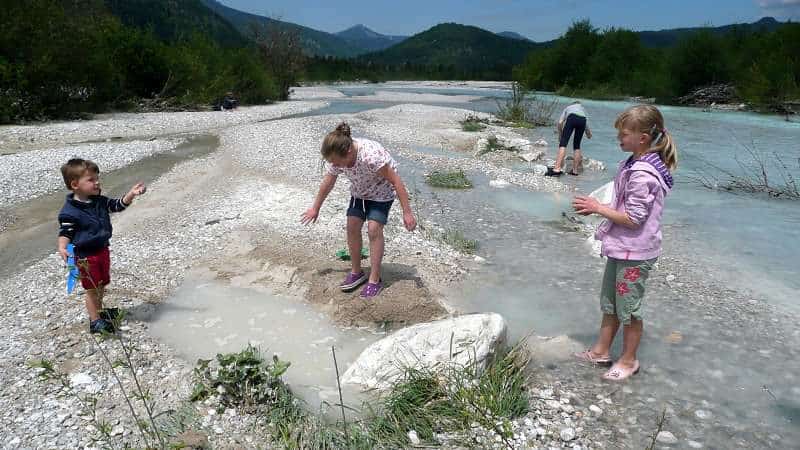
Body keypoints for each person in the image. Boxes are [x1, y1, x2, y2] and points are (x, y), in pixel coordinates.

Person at [571, 105, 677, 380]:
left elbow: (633, 219)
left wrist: (597, 208)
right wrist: (600, 206)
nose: (619, 138)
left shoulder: (643, 173)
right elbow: (624, 206)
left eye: (624, 134)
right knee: (610, 302)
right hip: (622, 246)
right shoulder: (632, 163)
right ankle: (601, 351)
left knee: (629, 309)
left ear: (643, 138)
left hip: (636, 250)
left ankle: (629, 360)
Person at [300, 123, 417, 298]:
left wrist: (407, 212)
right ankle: (357, 272)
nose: (336, 165)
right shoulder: (338, 157)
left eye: (337, 162)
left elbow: (396, 181)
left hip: (381, 193)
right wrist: (315, 207)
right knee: (352, 226)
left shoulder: (371, 156)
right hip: (360, 192)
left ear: (348, 152)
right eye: (332, 162)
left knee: (373, 229)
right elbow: (329, 181)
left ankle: (374, 279)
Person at [57, 158, 147, 333]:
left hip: (102, 250)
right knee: (91, 289)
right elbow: (65, 232)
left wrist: (131, 194)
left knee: (101, 284)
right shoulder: (70, 211)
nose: (97, 182)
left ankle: (100, 312)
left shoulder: (99, 201)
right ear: (75, 184)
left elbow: (117, 206)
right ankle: (95, 322)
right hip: (85, 256)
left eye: (97, 178)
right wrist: (62, 247)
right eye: (91, 180)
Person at [546, 101, 592, 177]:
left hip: (572, 118)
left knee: (563, 144)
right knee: (577, 146)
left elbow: (560, 122)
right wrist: (588, 134)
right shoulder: (582, 109)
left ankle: (556, 169)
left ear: (572, 104)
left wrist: (560, 135)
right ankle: (575, 171)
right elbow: (585, 123)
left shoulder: (568, 108)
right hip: (582, 120)